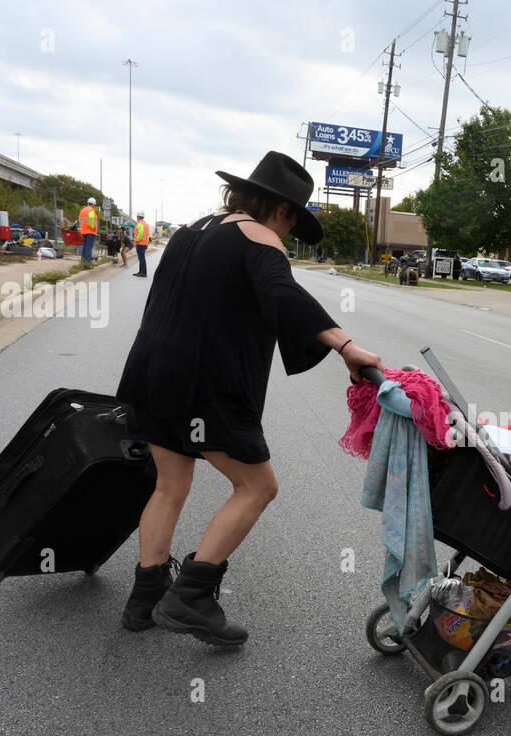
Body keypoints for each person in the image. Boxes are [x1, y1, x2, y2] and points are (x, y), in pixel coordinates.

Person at [115, 151, 383, 646]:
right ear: (281, 210)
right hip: (205, 386)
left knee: (170, 486)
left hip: (150, 373)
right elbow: (283, 295)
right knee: (258, 487)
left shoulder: (192, 228)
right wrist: (345, 345)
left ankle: (144, 598)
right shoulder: (260, 237)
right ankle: (192, 595)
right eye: (291, 223)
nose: (286, 234)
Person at [78, 197, 98, 263]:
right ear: (93, 204)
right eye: (94, 205)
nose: (94, 206)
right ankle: (88, 262)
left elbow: (79, 220)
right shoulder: (91, 211)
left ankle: (83, 261)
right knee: (89, 247)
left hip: (83, 231)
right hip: (91, 232)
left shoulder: (82, 210)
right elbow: (91, 222)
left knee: (84, 247)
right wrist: (93, 229)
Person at [133, 212, 150, 277]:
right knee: (141, 258)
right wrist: (147, 243)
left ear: (138, 217)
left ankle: (143, 273)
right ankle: (141, 272)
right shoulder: (146, 224)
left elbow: (140, 234)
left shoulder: (140, 224)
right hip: (144, 243)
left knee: (141, 258)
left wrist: (136, 240)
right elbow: (147, 235)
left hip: (140, 243)